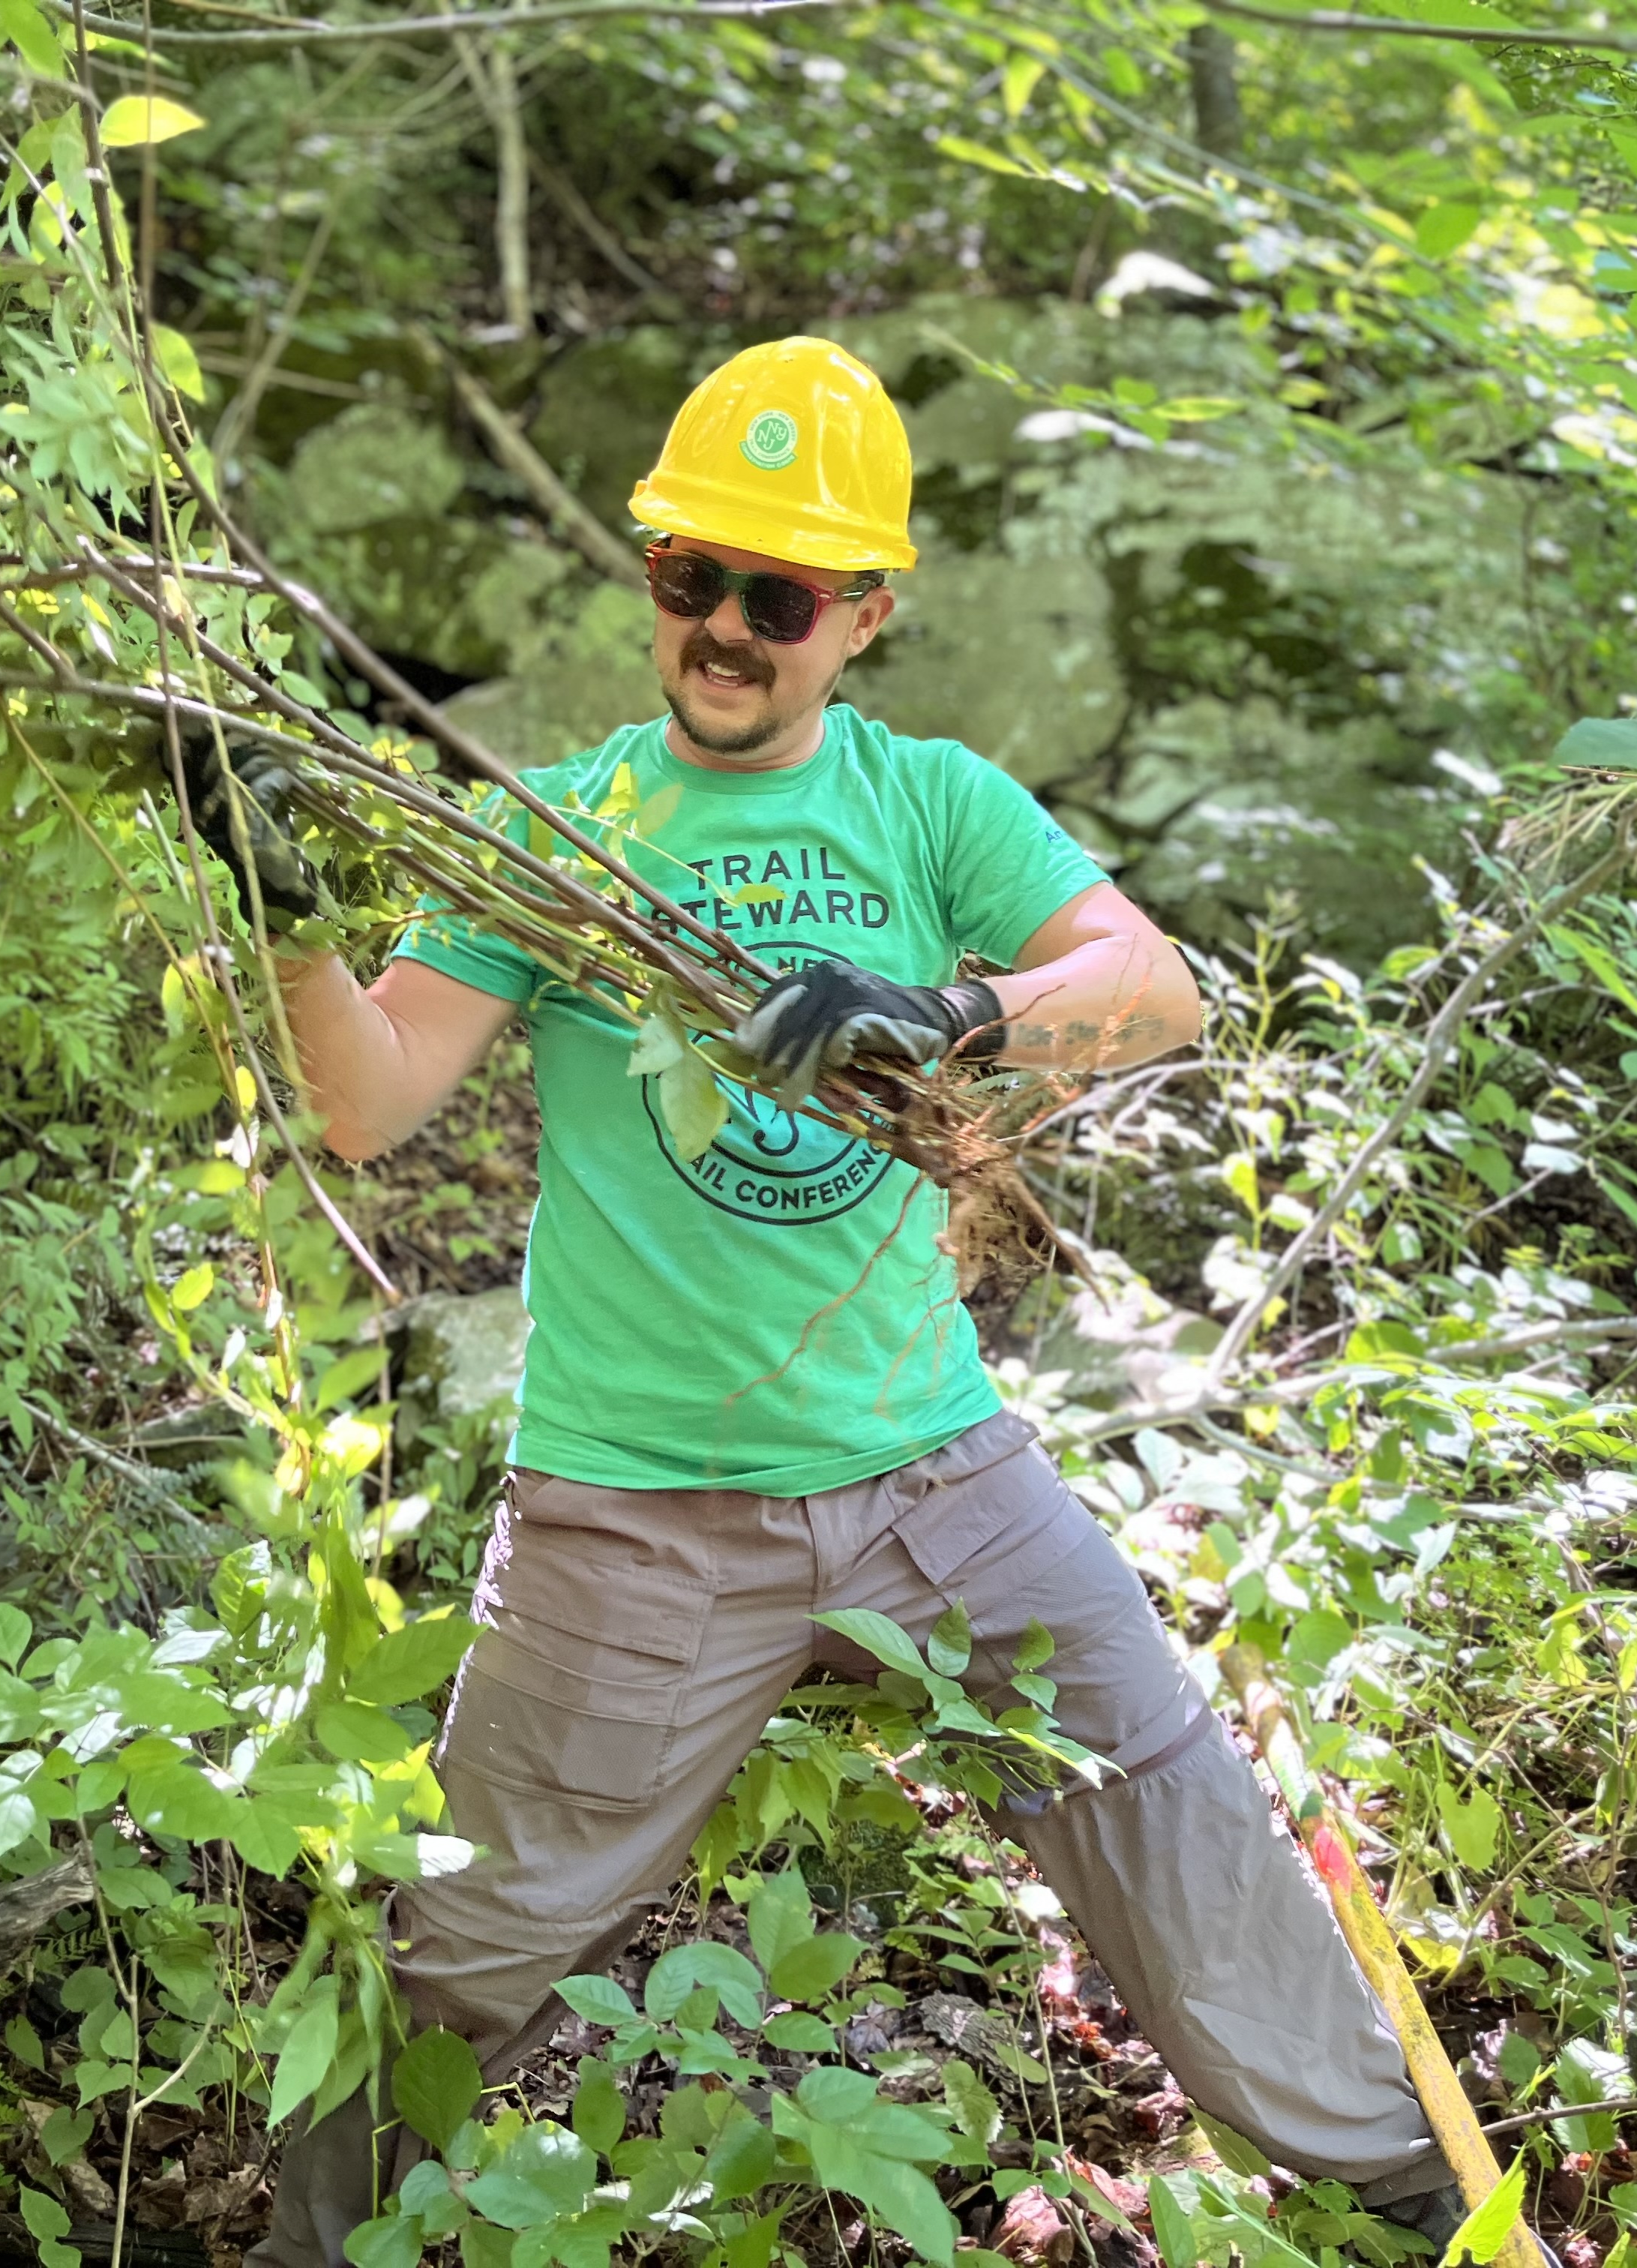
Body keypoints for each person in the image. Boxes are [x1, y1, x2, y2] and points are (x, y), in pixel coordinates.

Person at [231, 338, 1474, 2266]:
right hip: (635, 1503)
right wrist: (288, 917)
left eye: (779, 595)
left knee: (1170, 1804)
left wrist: (955, 1009)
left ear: (865, 615)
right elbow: (366, 1101)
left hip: (934, 1465)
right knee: (462, 1934)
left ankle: (1405, 2192)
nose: (726, 628)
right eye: (689, 579)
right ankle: (315, 2243)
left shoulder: (928, 806)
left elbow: (1160, 988)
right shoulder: (559, 835)